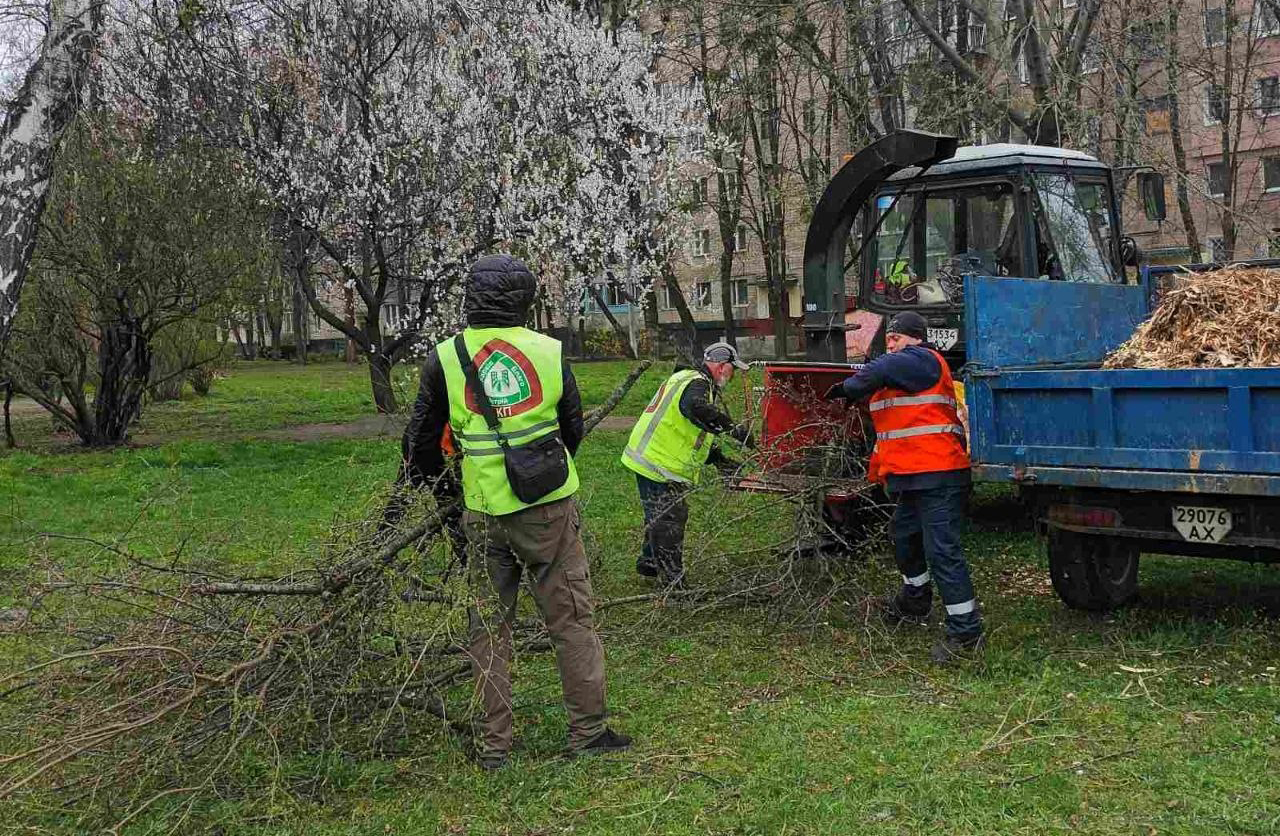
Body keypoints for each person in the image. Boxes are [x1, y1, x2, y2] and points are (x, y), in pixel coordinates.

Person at [402, 254, 629, 769]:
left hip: (481, 511)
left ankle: (494, 748)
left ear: (471, 300)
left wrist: (450, 495)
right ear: (526, 301)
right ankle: (588, 732)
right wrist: (541, 472)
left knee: (487, 629)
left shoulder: (446, 356)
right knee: (571, 620)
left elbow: (419, 443)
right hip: (547, 509)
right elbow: (572, 430)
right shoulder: (548, 352)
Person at [823, 311, 983, 663]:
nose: (890, 343)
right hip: (912, 476)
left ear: (915, 338)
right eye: (888, 338)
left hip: (939, 473)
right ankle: (915, 601)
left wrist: (849, 387)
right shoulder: (899, 372)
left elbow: (879, 370)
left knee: (942, 550)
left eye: (896, 338)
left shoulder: (923, 360)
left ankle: (966, 632)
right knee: (904, 537)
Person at [621, 341, 753, 588]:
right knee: (671, 518)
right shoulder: (698, 384)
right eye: (732, 370)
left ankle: (649, 561)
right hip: (658, 462)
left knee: (660, 514)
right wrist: (734, 429)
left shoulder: (688, 378)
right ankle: (674, 584)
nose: (732, 376)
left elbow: (696, 430)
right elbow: (694, 408)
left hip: (652, 457)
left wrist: (719, 460)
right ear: (722, 366)